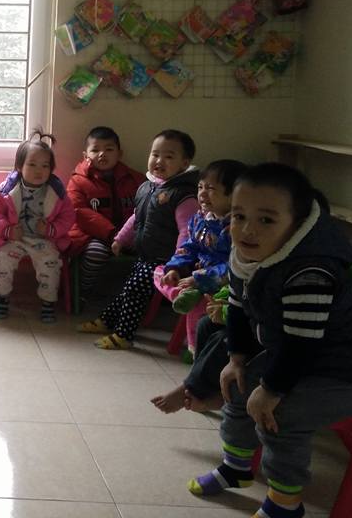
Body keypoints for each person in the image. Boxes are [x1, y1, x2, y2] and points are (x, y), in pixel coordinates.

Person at [189, 163, 352, 518]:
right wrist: (237, 359)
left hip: (347, 370)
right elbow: (238, 308)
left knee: (278, 413)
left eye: (266, 220)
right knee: (238, 386)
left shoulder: (310, 272)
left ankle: (286, 504)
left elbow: (302, 344)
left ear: (297, 225)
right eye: (239, 216)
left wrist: (271, 390)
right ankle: (236, 467)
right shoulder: (247, 256)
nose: (247, 230)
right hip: (296, 355)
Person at [77, 129, 199, 349]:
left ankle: (124, 335)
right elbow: (136, 217)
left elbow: (186, 233)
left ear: (184, 163)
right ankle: (107, 320)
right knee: (128, 288)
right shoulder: (147, 187)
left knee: (134, 291)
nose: (159, 161)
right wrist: (120, 239)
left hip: (165, 261)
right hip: (147, 254)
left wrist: (177, 264)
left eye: (168, 156)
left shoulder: (184, 195)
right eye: (155, 154)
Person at [0, 131, 75, 322]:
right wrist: (7, 230)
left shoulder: (56, 192)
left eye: (45, 166)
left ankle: (48, 302)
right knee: (2, 261)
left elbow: (68, 216)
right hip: (14, 238)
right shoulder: (7, 189)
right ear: (19, 166)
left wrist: (50, 229)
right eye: (32, 164)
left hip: (43, 239)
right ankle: (2, 298)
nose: (38, 170)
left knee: (50, 263)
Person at [154, 159, 245, 354]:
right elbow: (190, 246)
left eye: (210, 189)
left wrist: (199, 279)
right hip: (197, 271)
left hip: (220, 280)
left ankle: (196, 349)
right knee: (159, 272)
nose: (202, 194)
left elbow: (233, 265)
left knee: (200, 304)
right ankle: (184, 292)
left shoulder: (236, 227)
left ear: (234, 195)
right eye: (200, 187)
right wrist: (175, 267)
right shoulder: (201, 217)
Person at [66, 126, 145, 303]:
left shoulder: (135, 179)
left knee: (151, 250)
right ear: (85, 155)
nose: (102, 154)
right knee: (95, 253)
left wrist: (127, 234)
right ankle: (83, 290)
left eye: (109, 149)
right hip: (93, 235)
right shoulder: (78, 180)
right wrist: (111, 233)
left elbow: (146, 206)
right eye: (95, 150)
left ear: (119, 153)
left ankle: (137, 297)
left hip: (128, 233)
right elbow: (78, 211)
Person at [151, 286, 229, 414]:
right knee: (205, 324)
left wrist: (226, 313)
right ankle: (201, 393)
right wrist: (221, 302)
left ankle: (190, 389)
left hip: (257, 331)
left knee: (223, 339)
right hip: (239, 315)